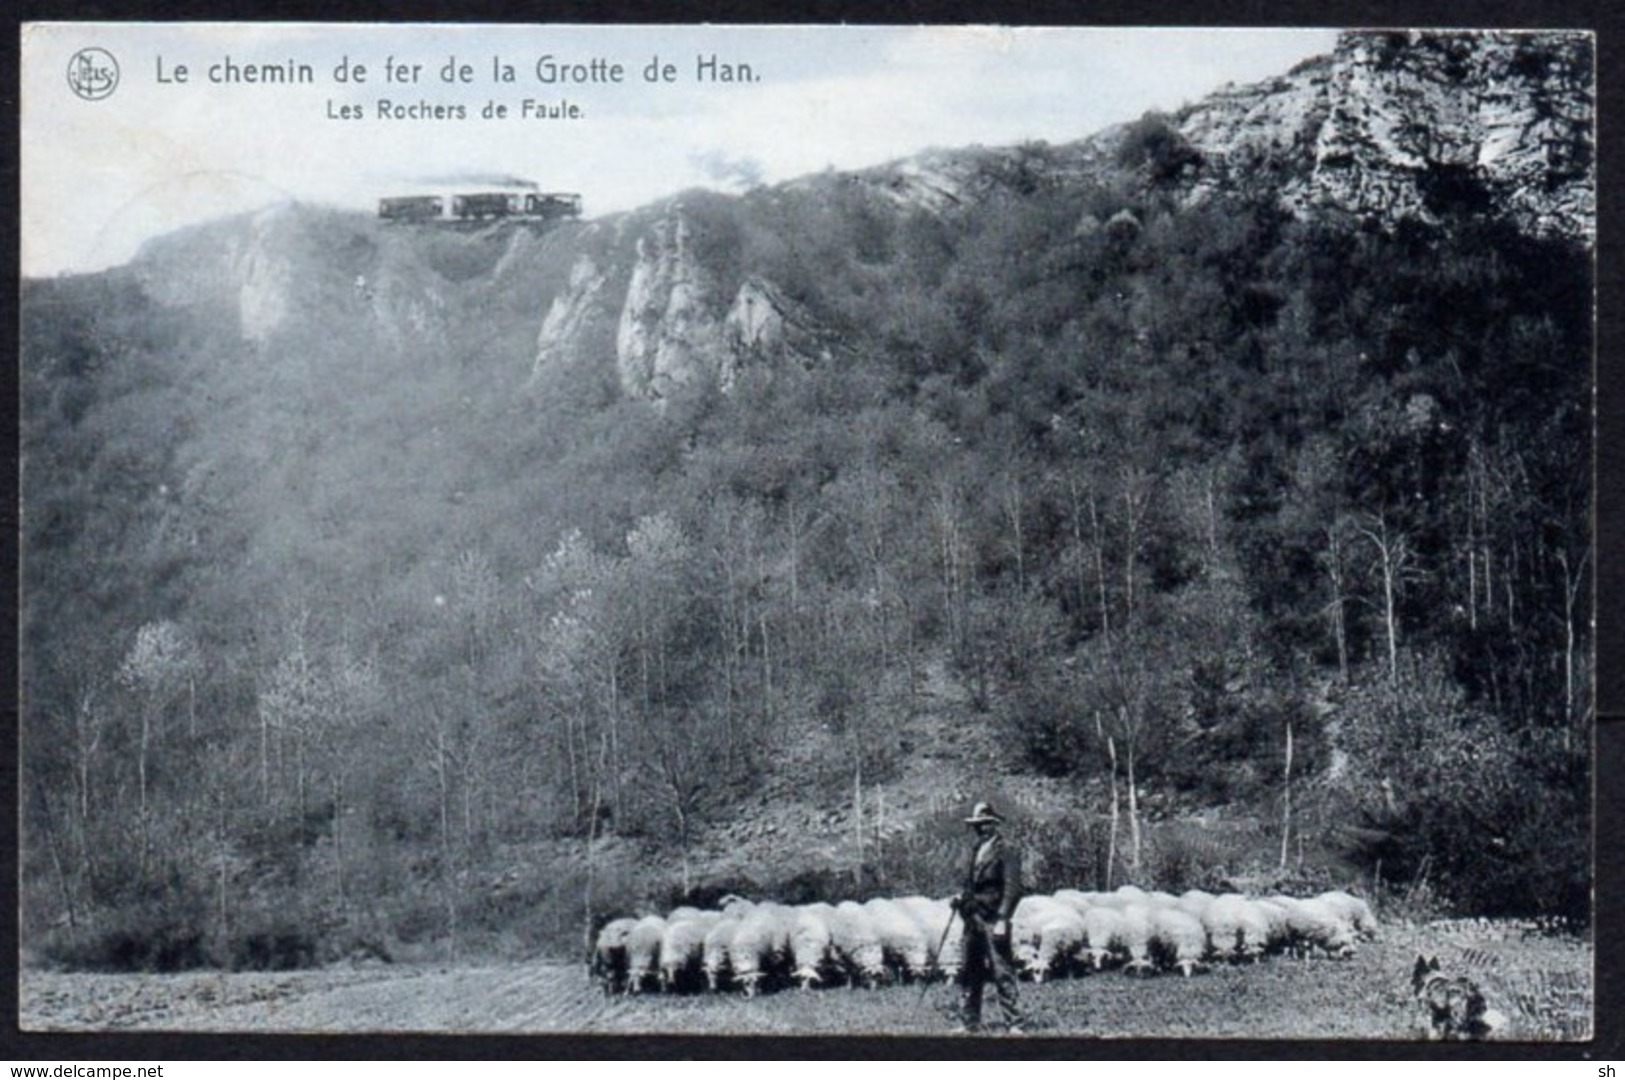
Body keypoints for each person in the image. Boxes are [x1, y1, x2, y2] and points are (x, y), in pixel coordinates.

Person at [952, 801, 1026, 1034]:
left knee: (1001, 970)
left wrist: (1003, 919)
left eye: (985, 824)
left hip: (993, 917)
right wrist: (960, 897)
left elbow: (1013, 888)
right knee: (970, 969)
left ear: (994, 825)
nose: (980, 829)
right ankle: (969, 1021)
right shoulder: (975, 849)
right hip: (972, 916)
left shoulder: (1007, 850)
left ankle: (1014, 1023)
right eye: (977, 825)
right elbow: (971, 883)